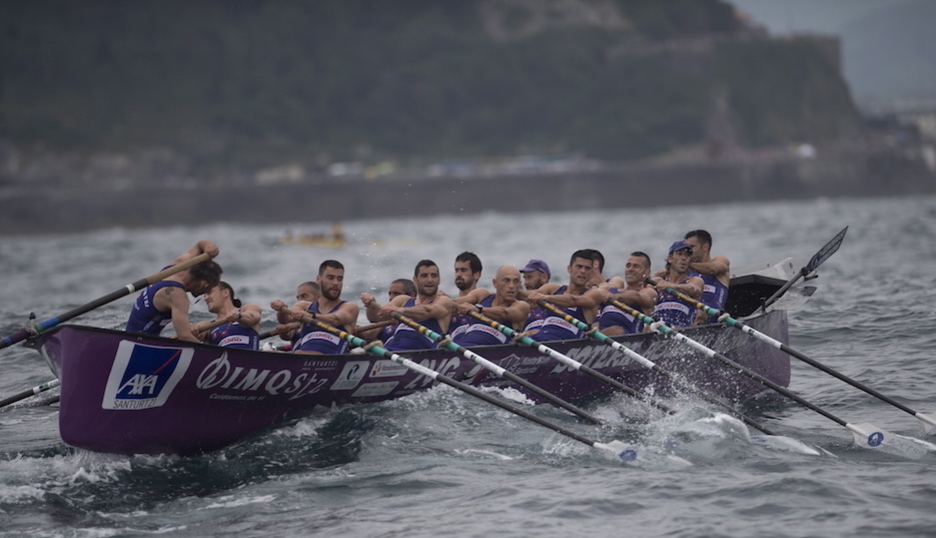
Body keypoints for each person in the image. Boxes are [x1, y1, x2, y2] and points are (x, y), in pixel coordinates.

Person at [125, 239, 222, 342]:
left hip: (130, 337)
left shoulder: (174, 267)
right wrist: (210, 353)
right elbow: (184, 337)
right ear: (204, 284)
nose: (205, 295)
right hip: (138, 344)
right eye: (209, 289)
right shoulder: (177, 295)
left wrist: (208, 246)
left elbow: (200, 245)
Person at [362, 259, 453, 352]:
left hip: (421, 354)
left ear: (439, 280)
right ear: (415, 280)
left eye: (434, 276)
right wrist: (370, 305)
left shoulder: (444, 301)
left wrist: (399, 310)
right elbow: (375, 318)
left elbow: (426, 312)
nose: (429, 280)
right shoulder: (403, 300)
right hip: (390, 352)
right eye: (424, 276)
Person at [271, 260, 359, 354]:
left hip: (331, 360)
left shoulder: (350, 307)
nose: (336, 283)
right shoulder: (303, 306)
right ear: (318, 279)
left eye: (340, 279)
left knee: (299, 353)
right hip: (301, 357)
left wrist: (311, 316)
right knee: (270, 353)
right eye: (330, 278)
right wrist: (280, 311)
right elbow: (287, 321)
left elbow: (335, 319)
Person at [523, 250, 609, 342]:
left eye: (587, 268)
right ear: (569, 269)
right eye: (579, 267)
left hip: (566, 345)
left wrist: (545, 298)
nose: (583, 271)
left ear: (591, 273)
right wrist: (514, 291)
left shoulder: (593, 294)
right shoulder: (553, 288)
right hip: (539, 340)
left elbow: (572, 300)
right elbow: (530, 294)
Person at [451, 265, 530, 346]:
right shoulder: (483, 295)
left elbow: (504, 313)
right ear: (495, 283)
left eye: (516, 281)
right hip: (464, 346)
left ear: (520, 285)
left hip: (491, 353)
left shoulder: (521, 306)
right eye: (506, 280)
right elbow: (455, 302)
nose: (511, 286)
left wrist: (479, 310)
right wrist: (445, 302)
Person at [598, 252, 658, 336]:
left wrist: (614, 296)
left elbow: (637, 297)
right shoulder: (613, 288)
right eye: (628, 266)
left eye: (636, 266)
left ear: (647, 272)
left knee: (615, 330)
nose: (630, 269)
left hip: (629, 340)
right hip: (601, 339)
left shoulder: (648, 292)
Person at [193, 281, 262, 349]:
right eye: (204, 295)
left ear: (225, 293)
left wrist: (239, 316)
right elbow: (196, 332)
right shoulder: (208, 326)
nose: (205, 298)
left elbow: (252, 318)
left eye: (209, 292)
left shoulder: (248, 308)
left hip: (249, 358)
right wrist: (193, 330)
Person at [652, 240, 704, 328]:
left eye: (687, 255)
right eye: (679, 254)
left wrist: (670, 286)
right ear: (670, 259)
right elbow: (643, 294)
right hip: (658, 328)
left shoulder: (695, 280)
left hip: (681, 330)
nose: (684, 258)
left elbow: (694, 289)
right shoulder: (657, 280)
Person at [684, 229, 731, 324]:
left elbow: (713, 269)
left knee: (701, 313)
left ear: (705, 246)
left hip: (714, 319)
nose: (687, 251)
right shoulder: (686, 271)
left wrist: (687, 265)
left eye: (691, 247)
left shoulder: (720, 260)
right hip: (691, 321)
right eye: (686, 248)